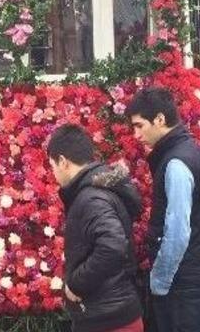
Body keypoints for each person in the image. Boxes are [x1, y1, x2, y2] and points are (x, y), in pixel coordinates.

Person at [126, 87, 200, 332]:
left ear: (159, 119)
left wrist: (160, 281)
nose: (135, 135)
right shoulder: (190, 150)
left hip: (182, 283)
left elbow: (177, 232)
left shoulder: (177, 162)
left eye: (139, 125)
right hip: (194, 275)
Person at [48, 124, 144, 332]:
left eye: (52, 165)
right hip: (113, 313)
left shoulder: (91, 198)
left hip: (108, 319)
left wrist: (76, 284)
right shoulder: (96, 191)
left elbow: (112, 244)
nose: (53, 173)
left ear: (63, 161)